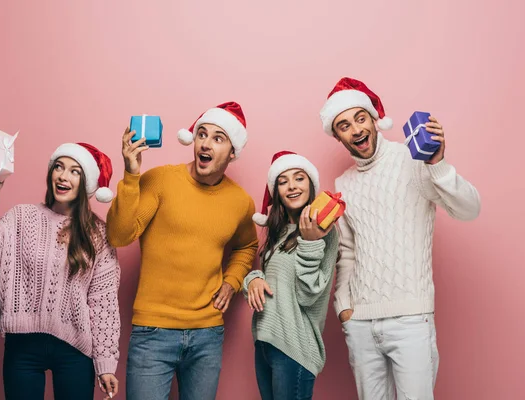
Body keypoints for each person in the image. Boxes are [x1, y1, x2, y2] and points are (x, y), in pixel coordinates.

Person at [320, 77, 481, 399]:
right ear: (337, 136)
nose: (355, 129)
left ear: (374, 120)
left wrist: (438, 165)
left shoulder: (414, 158)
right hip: (361, 323)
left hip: (410, 320)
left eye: (360, 118)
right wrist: (344, 308)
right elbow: (348, 253)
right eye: (344, 125)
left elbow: (469, 210)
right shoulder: (344, 183)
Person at [106, 102, 259, 400]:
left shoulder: (240, 202)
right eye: (202, 134)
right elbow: (118, 235)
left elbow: (247, 246)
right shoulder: (160, 179)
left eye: (218, 138)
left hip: (207, 335)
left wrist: (232, 281)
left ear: (232, 152)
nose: (205, 143)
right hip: (152, 331)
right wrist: (131, 174)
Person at [0, 142, 121, 400]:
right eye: (58, 167)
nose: (63, 176)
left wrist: (105, 363)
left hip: (74, 349)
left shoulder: (97, 234)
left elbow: (104, 302)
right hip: (22, 346)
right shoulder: (21, 217)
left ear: (86, 183)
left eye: (74, 171)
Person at [243, 151, 339, 400]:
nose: (292, 186)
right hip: (266, 341)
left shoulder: (324, 230)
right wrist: (252, 279)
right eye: (283, 181)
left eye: (299, 178)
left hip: (294, 347)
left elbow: (308, 296)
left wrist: (309, 243)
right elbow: (272, 278)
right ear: (277, 191)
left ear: (311, 185)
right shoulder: (279, 231)